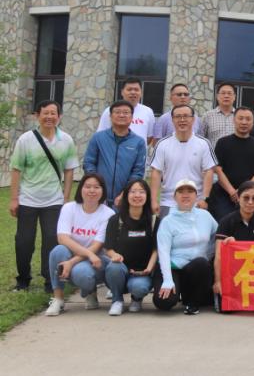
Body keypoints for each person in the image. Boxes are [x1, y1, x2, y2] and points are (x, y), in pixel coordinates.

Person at [10, 100, 78, 292]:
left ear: (59, 116)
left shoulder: (66, 140)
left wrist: (66, 198)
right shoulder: (25, 139)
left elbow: (69, 171)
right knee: (24, 242)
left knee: (51, 241)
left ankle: (50, 280)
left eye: (53, 113)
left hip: (54, 201)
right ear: (37, 116)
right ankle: (23, 279)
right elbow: (16, 169)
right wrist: (14, 199)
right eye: (45, 113)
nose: (49, 117)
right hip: (27, 200)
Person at [44, 174, 115, 316]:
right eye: (87, 186)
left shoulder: (108, 214)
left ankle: (90, 291)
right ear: (81, 188)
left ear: (103, 191)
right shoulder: (69, 208)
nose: (92, 190)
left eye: (96, 187)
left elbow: (97, 246)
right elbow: (62, 238)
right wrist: (85, 254)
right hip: (76, 254)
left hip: (94, 259)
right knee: (58, 251)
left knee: (82, 274)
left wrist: (72, 262)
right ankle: (58, 299)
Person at [153, 179, 217, 314]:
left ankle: (192, 301)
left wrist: (210, 253)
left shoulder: (205, 216)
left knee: (201, 263)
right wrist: (168, 280)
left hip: (196, 268)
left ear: (196, 196)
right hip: (173, 267)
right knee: (164, 302)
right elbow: (163, 252)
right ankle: (177, 290)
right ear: (174, 197)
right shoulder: (167, 221)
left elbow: (217, 236)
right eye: (181, 192)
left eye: (190, 191)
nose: (185, 195)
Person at [150, 104, 217, 217]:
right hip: (169, 203)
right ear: (172, 120)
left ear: (193, 119)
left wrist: (205, 198)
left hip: (196, 203)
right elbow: (156, 172)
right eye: (178, 116)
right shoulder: (162, 144)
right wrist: (153, 200)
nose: (182, 120)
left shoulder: (204, 144)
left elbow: (209, 171)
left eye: (186, 116)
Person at [102, 179, 158, 315]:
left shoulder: (154, 221)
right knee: (113, 267)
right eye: (133, 192)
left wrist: (149, 268)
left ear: (147, 196)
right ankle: (117, 300)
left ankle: (137, 299)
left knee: (139, 287)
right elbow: (108, 247)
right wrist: (114, 255)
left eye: (141, 192)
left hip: (142, 271)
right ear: (126, 195)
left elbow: (156, 249)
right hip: (121, 269)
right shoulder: (115, 220)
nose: (137, 195)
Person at [212, 181, 254, 308]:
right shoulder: (226, 221)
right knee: (226, 308)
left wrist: (237, 244)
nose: (250, 202)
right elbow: (218, 256)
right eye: (246, 198)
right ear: (238, 198)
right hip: (231, 273)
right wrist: (218, 281)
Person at [84, 100, 147, 208]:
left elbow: (137, 172)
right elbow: (89, 163)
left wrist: (125, 194)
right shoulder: (98, 138)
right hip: (98, 198)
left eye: (126, 112)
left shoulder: (139, 142)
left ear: (132, 117)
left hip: (124, 200)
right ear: (110, 116)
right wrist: (96, 188)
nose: (121, 115)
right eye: (117, 112)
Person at [210, 106, 254, 221]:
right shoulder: (222, 143)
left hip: (250, 194)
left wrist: (245, 190)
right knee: (224, 223)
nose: (244, 122)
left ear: (253, 122)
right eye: (240, 118)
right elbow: (218, 170)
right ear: (234, 120)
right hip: (225, 194)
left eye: (248, 119)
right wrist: (232, 191)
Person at [96, 77, 155, 144]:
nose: (133, 92)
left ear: (141, 92)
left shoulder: (148, 112)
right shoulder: (110, 110)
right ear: (122, 92)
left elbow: (149, 137)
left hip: (139, 150)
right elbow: (101, 135)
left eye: (136, 90)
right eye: (129, 89)